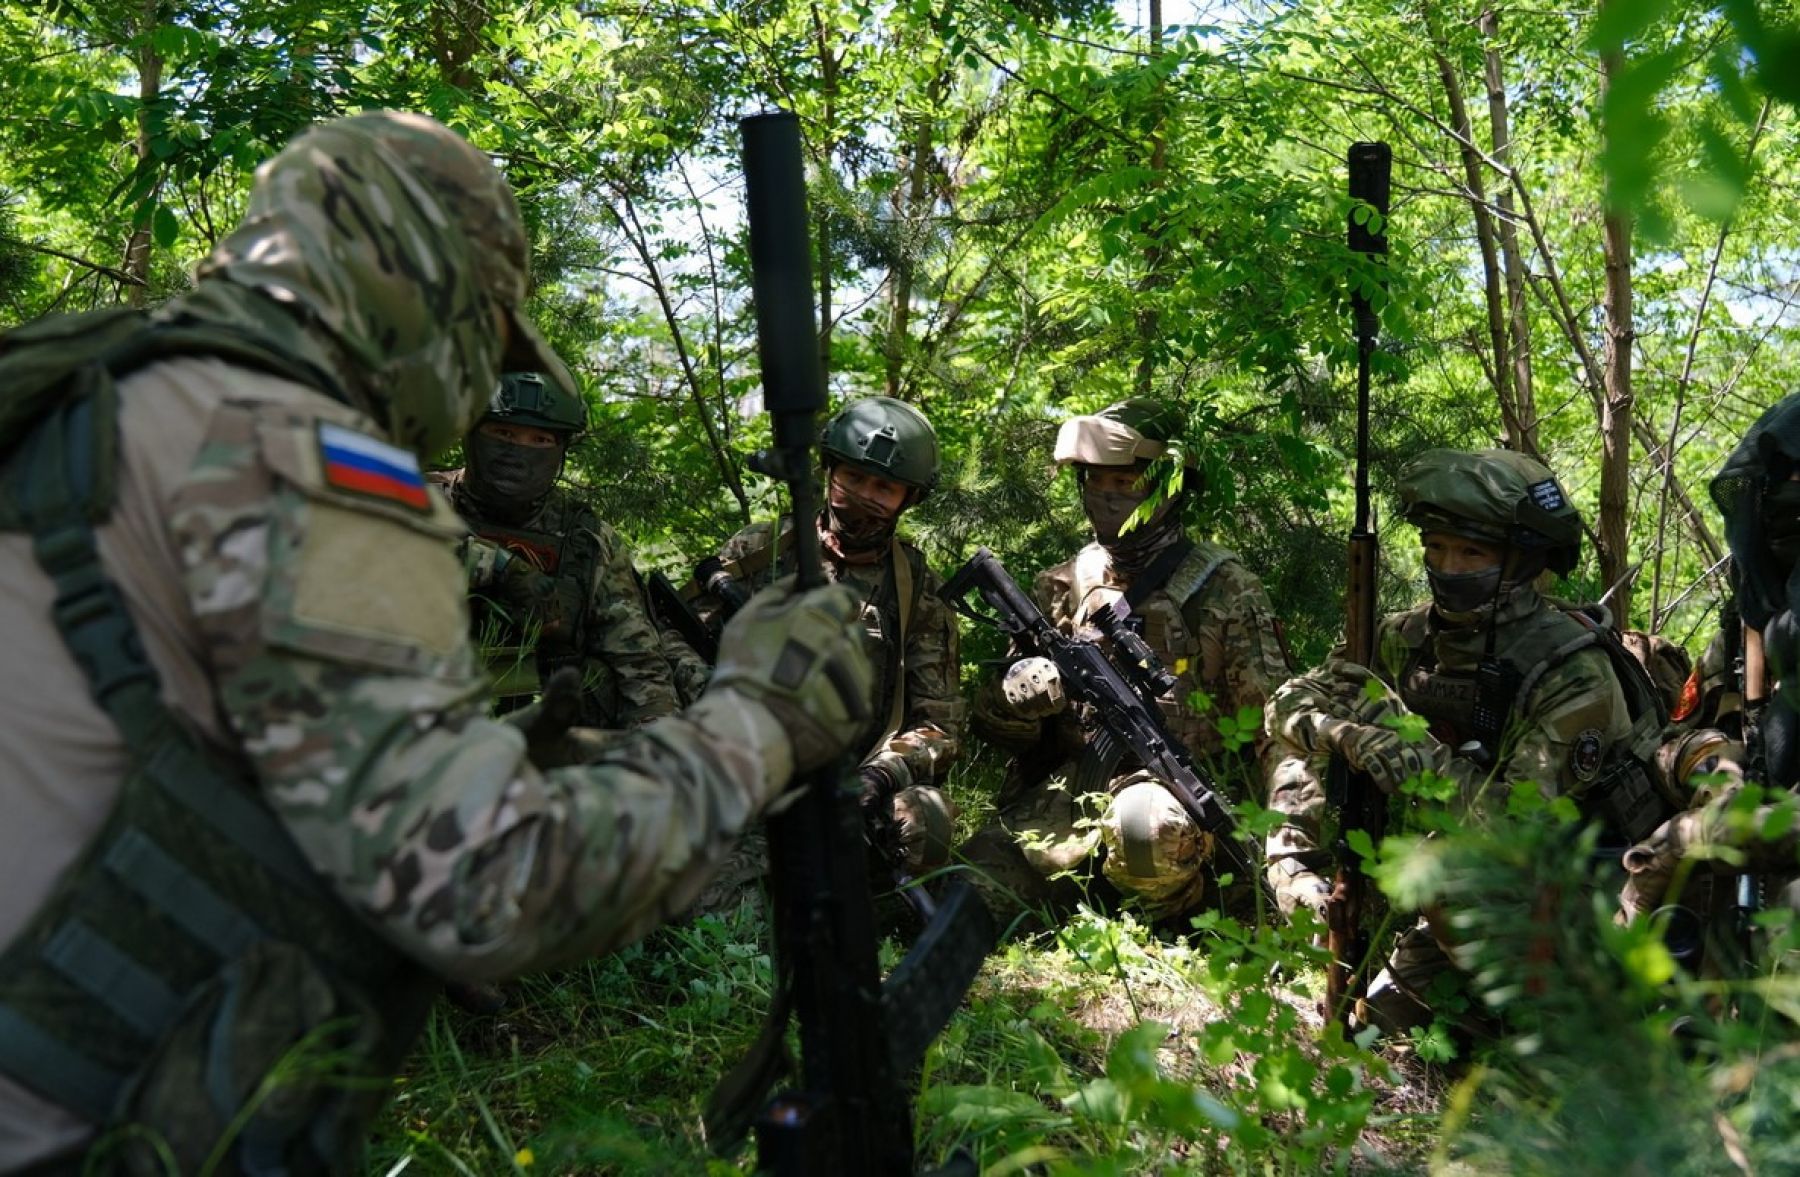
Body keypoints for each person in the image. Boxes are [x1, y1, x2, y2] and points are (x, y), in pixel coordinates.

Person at [0, 111, 874, 1173]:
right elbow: (482, 886)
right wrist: (760, 724)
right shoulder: (300, 459)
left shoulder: (90, 396)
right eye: (482, 346)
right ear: (423, 299)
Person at [1263, 448, 1673, 1037]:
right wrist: (1344, 735)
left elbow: (1512, 827)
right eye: (1436, 547)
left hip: (1591, 897)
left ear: (1525, 559)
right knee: (1379, 1025)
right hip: (1487, 898)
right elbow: (1287, 703)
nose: (1448, 567)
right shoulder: (1405, 636)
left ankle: (1575, 1042)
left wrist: (1404, 749)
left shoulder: (1571, 671)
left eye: (1472, 552)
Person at [958, 398, 1292, 930]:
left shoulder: (1226, 589)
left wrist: (1288, 846)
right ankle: (1083, 899)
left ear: (1168, 486)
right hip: (1067, 799)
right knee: (970, 895)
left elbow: (1275, 731)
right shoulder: (1065, 583)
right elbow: (994, 727)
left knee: (1144, 827)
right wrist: (1013, 694)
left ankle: (1177, 919)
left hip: (1172, 802)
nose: (1108, 498)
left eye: (1126, 482)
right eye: (1097, 481)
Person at [696, 395, 963, 894]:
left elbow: (940, 724)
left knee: (927, 819)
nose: (863, 497)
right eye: (853, 478)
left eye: (884, 488)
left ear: (908, 498)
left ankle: (870, 892)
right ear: (828, 472)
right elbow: (678, 649)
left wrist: (880, 777)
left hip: (853, 785)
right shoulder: (758, 555)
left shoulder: (916, 588)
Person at [432, 370, 703, 727]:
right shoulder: (418, 499)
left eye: (540, 439)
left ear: (561, 450)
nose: (518, 452)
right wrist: (502, 568)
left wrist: (656, 757)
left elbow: (638, 663)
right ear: (471, 432)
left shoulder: (587, 540)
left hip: (548, 732)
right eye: (503, 433)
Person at [1621, 395, 1800, 933]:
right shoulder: (1749, 622)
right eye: (1781, 478)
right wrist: (1716, 768)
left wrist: (1694, 837)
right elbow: (1677, 741)